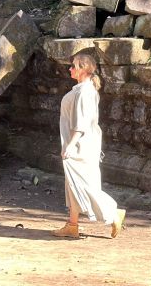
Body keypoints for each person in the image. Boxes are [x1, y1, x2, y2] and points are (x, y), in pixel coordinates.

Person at [52, 52, 125, 239]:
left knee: (83, 184)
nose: (70, 69)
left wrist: (70, 144)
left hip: (81, 145)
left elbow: (82, 123)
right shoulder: (82, 89)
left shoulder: (85, 92)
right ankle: (72, 224)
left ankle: (113, 213)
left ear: (83, 69)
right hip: (78, 142)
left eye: (74, 66)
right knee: (73, 183)